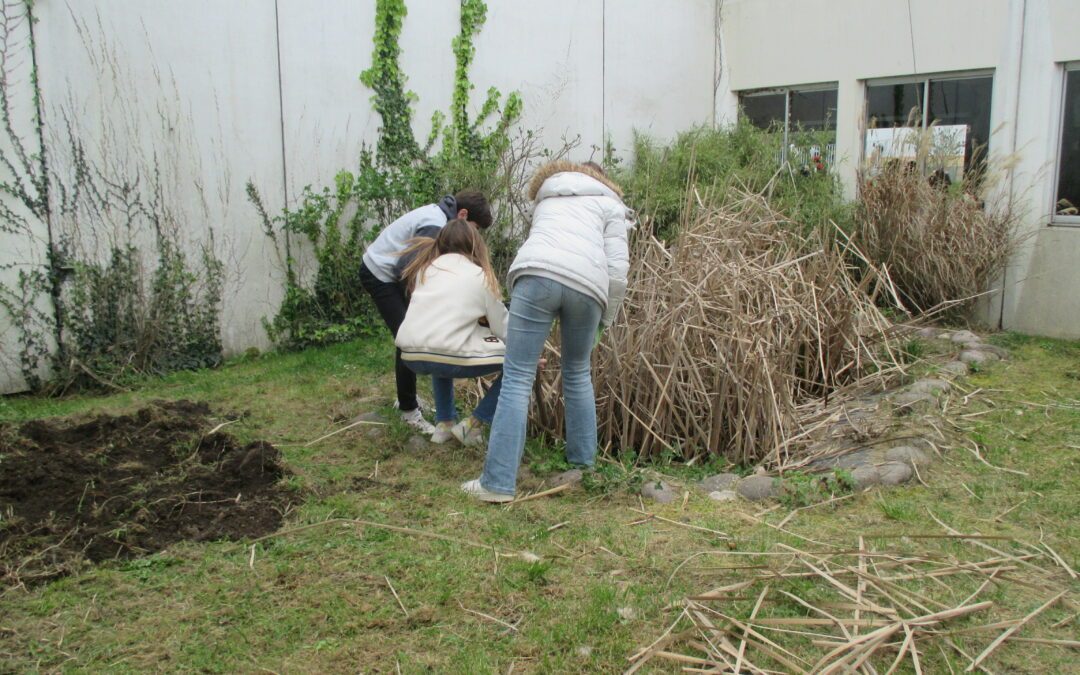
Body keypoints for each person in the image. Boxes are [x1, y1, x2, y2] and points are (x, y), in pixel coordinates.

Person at [461, 161, 634, 502]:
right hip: (588, 288)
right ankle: (583, 470)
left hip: (536, 274)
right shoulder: (612, 204)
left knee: (517, 377)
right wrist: (607, 320)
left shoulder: (548, 195)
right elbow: (618, 272)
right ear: (602, 179)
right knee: (577, 373)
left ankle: (496, 485)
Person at [359, 191, 492, 433]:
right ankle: (409, 411)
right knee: (408, 339)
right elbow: (405, 270)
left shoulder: (442, 218)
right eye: (475, 228)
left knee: (412, 333)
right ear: (462, 215)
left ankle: (406, 398)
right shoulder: (435, 226)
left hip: (390, 273)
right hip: (380, 274)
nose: (474, 236)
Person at [395, 219, 508, 445]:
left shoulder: (424, 270)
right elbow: (503, 326)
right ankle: (472, 425)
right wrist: (528, 352)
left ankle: (444, 424)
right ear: (475, 244)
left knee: (442, 344)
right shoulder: (481, 275)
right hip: (446, 356)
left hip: (411, 357)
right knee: (520, 367)